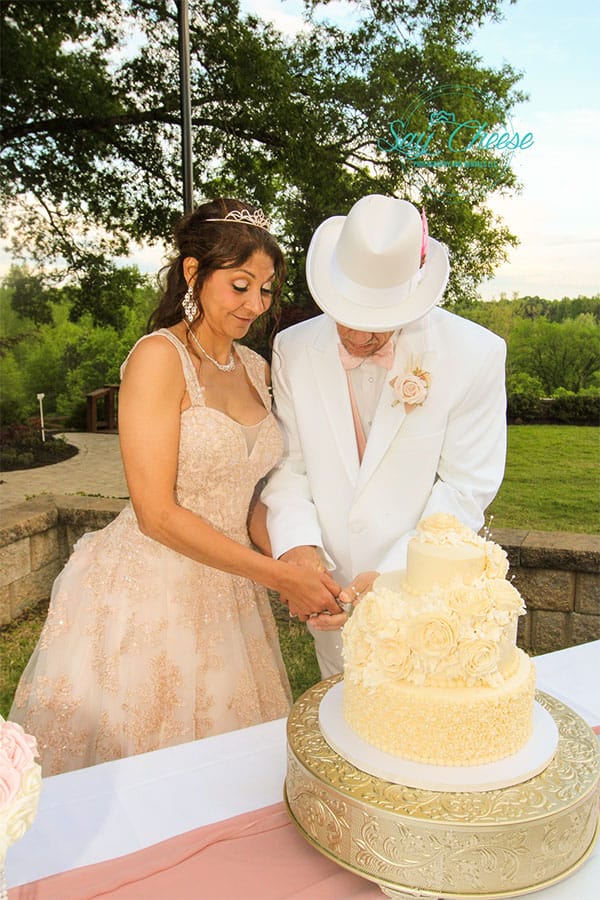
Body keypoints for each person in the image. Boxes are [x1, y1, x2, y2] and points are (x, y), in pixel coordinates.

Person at [10, 198, 341, 776]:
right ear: (194, 273)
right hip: (149, 591)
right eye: (240, 285)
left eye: (264, 290)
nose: (254, 305)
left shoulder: (256, 368)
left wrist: (295, 563)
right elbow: (155, 514)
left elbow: (250, 499)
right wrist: (276, 575)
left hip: (231, 588)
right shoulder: (157, 359)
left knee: (228, 772)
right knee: (148, 770)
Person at [261, 194, 507, 677]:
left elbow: (465, 487)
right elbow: (287, 463)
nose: (356, 336)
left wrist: (396, 575)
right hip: (326, 592)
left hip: (425, 597)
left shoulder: (476, 354)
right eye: (345, 315)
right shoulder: (291, 348)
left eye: (376, 324)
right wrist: (299, 551)